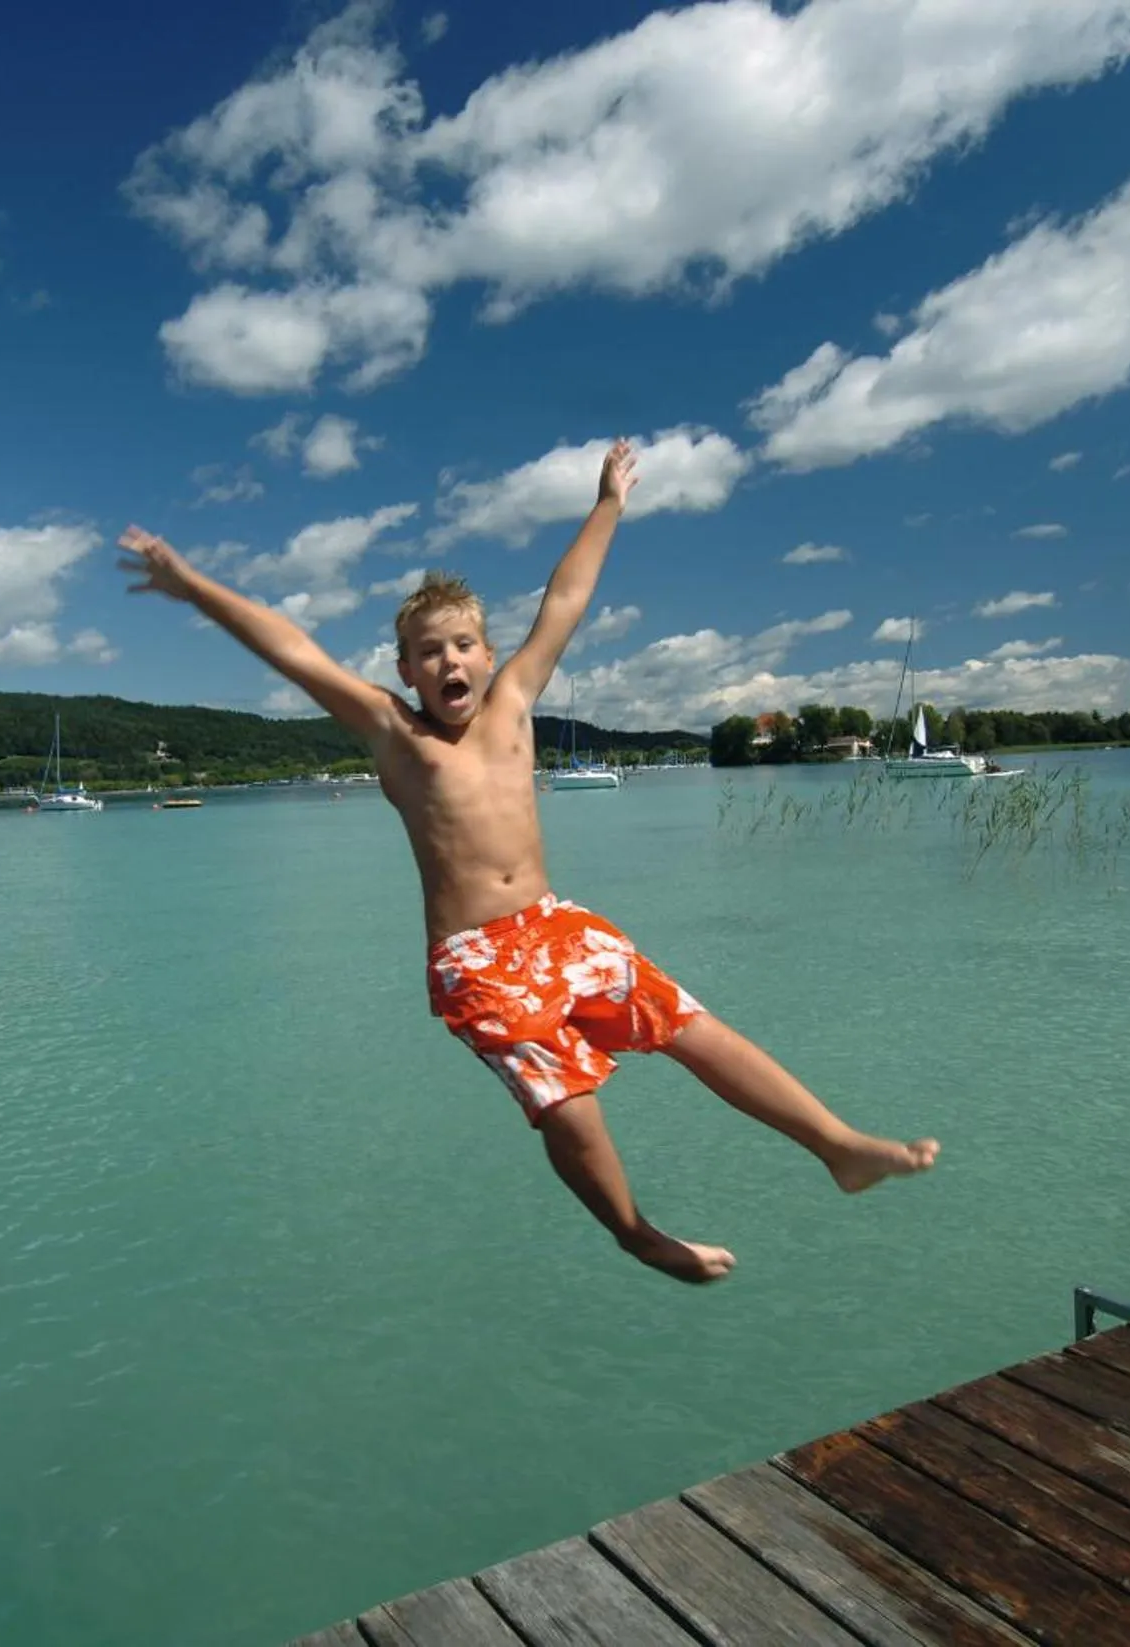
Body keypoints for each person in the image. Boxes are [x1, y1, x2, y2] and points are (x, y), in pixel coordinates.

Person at [117, 440, 936, 1283]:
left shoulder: (514, 701)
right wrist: (194, 588)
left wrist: (610, 502)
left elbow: (568, 597)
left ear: (486, 650)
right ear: (405, 670)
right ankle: (636, 1231)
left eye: (464, 644)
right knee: (566, 1102)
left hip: (555, 924)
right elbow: (295, 651)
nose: (450, 662)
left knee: (693, 1027)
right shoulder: (395, 735)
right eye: (429, 652)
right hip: (476, 959)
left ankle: (838, 1145)